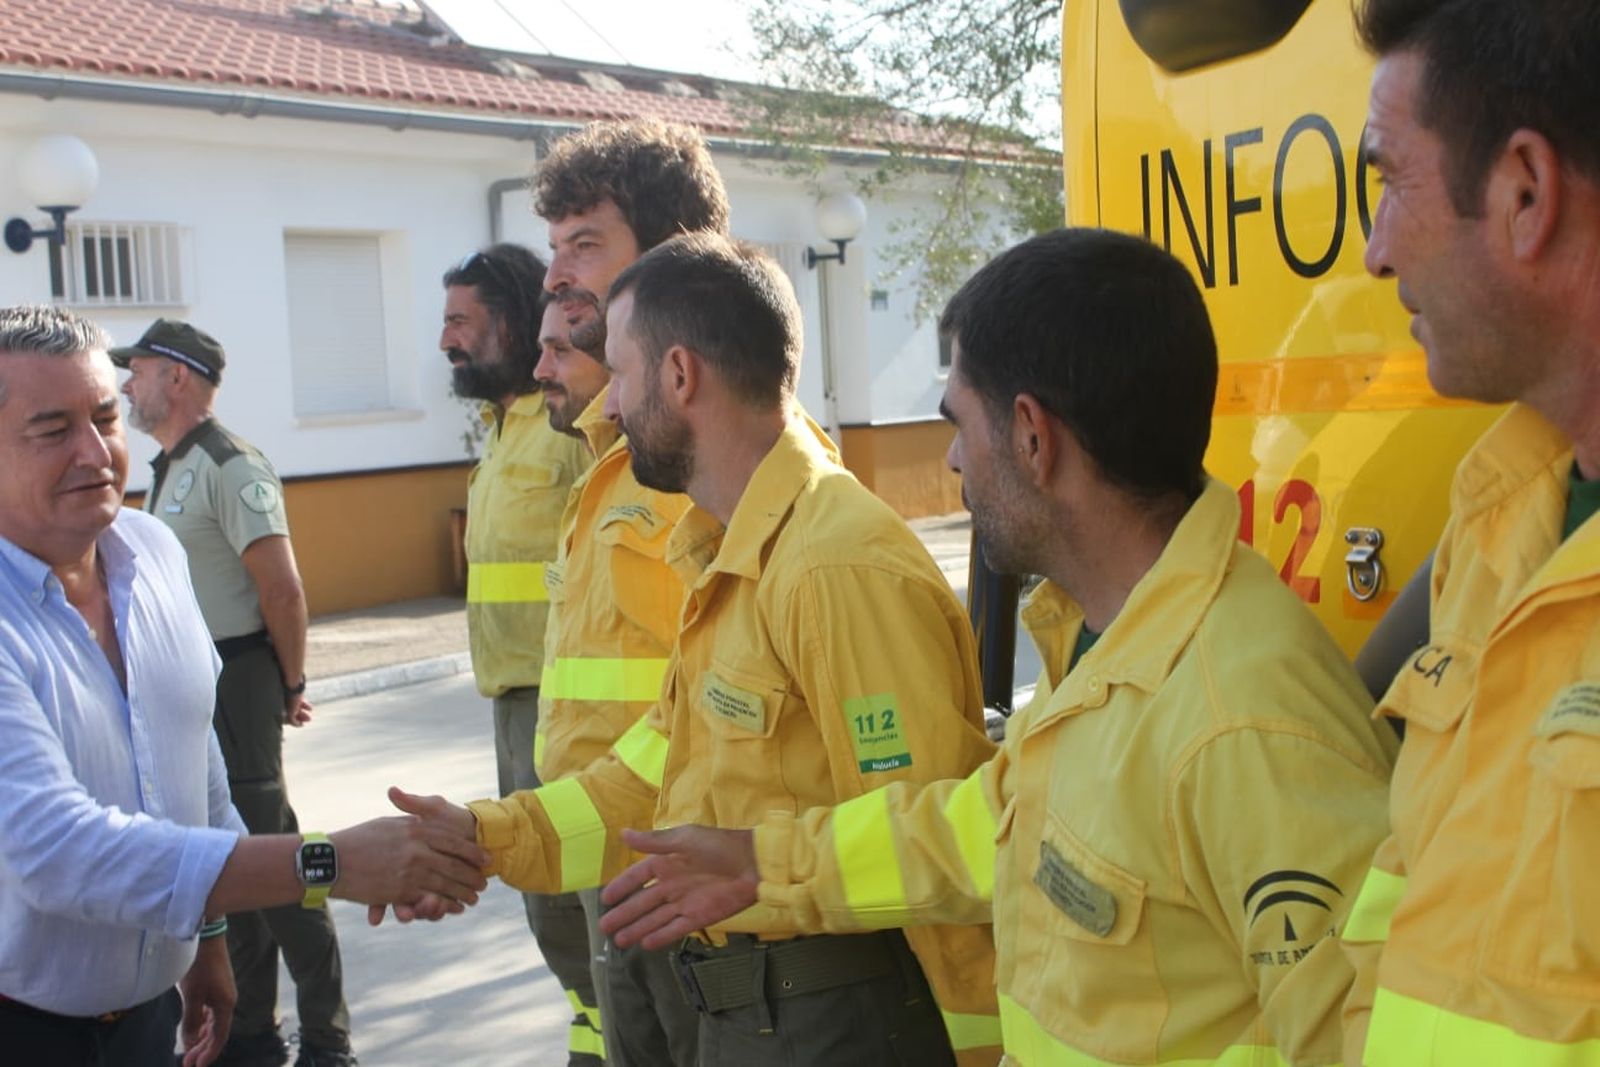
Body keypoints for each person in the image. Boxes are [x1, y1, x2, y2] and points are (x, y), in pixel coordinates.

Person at [595, 228, 1401, 1065]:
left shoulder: (1244, 723)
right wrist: (765, 863)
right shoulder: (1108, 644)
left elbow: (1350, 1042)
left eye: (959, 421)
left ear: (1030, 436)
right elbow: (983, 826)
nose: (949, 460)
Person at [389, 233, 1002, 1066]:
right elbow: (639, 792)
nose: (607, 408)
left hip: (841, 1020)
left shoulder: (834, 564)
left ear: (680, 376)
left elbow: (946, 843)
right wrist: (479, 836)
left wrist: (977, 1051)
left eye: (623, 376)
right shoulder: (725, 555)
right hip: (754, 1012)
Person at [0, 304, 488, 1067]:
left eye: (105, 416)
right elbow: (61, 852)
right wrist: (329, 861)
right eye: (52, 429)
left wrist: (206, 943)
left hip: (144, 1021)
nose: (95, 451)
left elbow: (195, 769)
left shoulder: (152, 551)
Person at [1333, 3, 1600, 1063]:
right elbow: (1392, 930)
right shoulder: (1495, 526)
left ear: (1523, 192)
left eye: (1388, 181)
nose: (1373, 250)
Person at [527, 118, 728, 1067]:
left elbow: (723, 693)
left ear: (671, 258)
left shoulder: (709, 454)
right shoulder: (612, 461)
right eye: (553, 248)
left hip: (689, 874)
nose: (557, 273)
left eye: (585, 245)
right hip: (614, 866)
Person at [115, 318, 354, 1067]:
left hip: (240, 677)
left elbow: (280, 587)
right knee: (228, 863)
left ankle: (327, 1036)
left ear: (177, 377)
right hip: (194, 678)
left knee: (274, 857)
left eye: (140, 368)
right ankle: (252, 1029)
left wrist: (290, 682)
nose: (128, 383)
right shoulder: (170, 465)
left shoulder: (228, 462)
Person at [440, 243, 597, 1064]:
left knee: (587, 891)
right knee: (545, 895)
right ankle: (593, 1033)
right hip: (512, 702)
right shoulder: (500, 428)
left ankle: (618, 1037)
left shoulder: (566, 418)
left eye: (460, 321)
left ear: (506, 318)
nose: (446, 341)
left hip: (571, 700)